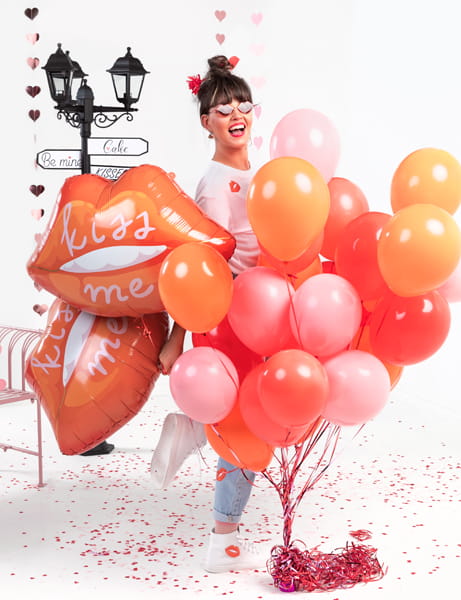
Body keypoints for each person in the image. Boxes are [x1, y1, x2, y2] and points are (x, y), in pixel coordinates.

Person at [150, 55, 266, 573]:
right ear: (207, 123)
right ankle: (224, 541)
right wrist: (178, 337)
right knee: (247, 422)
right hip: (230, 316)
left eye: (243, 104)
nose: (236, 114)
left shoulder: (263, 174)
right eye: (223, 109)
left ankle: (194, 427)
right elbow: (205, 269)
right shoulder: (215, 183)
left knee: (254, 410)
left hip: (266, 310)